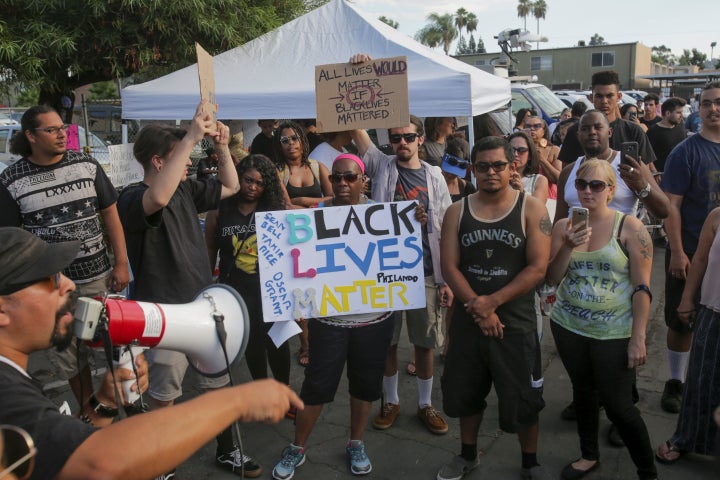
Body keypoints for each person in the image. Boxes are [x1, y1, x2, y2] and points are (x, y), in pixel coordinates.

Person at [0, 226, 302, 480]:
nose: (67, 284)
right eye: (49, 279)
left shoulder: (13, 379)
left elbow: (57, 458)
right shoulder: (7, 393)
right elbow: (99, 463)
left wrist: (103, 404)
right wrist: (236, 401)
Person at [117, 101, 262, 478]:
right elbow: (157, 199)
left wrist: (221, 148)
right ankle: (161, 460)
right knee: (164, 393)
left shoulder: (185, 190)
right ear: (158, 162)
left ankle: (227, 450)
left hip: (204, 305)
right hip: (164, 313)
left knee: (219, 385)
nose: (188, 163)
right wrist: (193, 133)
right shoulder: (131, 198)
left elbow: (230, 185)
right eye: (180, 155)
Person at [271, 153, 396, 479]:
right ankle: (297, 446)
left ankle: (356, 442)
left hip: (374, 320)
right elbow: (294, 259)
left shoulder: (384, 216)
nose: (342, 183)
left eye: (350, 177)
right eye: (337, 177)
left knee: (365, 387)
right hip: (329, 322)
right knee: (316, 387)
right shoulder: (316, 215)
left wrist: (416, 221)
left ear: (363, 180)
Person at [348, 53, 453, 437]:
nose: (402, 142)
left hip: (425, 270)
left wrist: (445, 280)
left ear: (420, 140)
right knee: (387, 343)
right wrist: (360, 73)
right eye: (395, 137)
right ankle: (390, 401)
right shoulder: (379, 165)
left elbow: (446, 224)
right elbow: (355, 126)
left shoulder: (435, 176)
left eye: (409, 136)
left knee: (424, 344)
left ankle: (426, 404)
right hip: (384, 271)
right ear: (388, 141)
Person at [0, 105, 129, 413]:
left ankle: (130, 404)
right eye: (52, 130)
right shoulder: (11, 180)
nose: (62, 135)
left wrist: (121, 262)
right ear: (30, 136)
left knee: (114, 344)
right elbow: (9, 237)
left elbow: (110, 213)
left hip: (98, 276)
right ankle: (89, 412)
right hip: (51, 287)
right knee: (69, 356)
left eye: (63, 129)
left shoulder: (86, 164)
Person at [437, 136, 551, 480]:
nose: (490, 172)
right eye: (483, 166)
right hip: (470, 321)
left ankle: (530, 462)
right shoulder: (457, 211)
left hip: (515, 321)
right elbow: (449, 267)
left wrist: (492, 303)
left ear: (512, 166)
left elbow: (538, 267)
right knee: (466, 392)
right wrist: (479, 308)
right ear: (473, 169)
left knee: (523, 397)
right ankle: (467, 455)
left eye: (498, 165)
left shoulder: (532, 209)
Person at [547, 159, 657, 480]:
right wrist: (567, 246)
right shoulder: (562, 227)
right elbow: (552, 280)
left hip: (614, 332)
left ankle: (648, 471)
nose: (587, 191)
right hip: (570, 326)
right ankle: (588, 455)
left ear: (611, 191)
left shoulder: (631, 228)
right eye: (581, 184)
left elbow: (642, 287)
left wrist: (638, 336)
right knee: (583, 391)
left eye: (596, 185)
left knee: (619, 406)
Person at [204, 154, 291, 395]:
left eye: (260, 183)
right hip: (236, 291)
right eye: (248, 180)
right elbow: (210, 247)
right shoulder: (220, 209)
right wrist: (206, 281)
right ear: (239, 178)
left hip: (270, 289)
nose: (253, 187)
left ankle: (284, 392)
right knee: (252, 343)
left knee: (277, 341)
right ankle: (261, 392)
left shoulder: (274, 209)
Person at [658, 81, 720, 414]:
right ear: (699, 108)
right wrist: (678, 251)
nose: (714, 108)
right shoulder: (686, 151)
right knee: (681, 319)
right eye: (707, 103)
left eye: (718, 102)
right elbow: (672, 207)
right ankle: (675, 381)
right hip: (690, 250)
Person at [655, 207, 720, 464]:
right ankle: (686, 437)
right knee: (701, 380)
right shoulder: (716, 216)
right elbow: (701, 260)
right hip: (713, 311)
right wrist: (686, 299)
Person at [273, 120, 333, 368]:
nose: (290, 144)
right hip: (292, 242)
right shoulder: (278, 170)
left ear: (302, 140)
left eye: (294, 138)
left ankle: (325, 342)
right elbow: (285, 206)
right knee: (300, 296)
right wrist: (315, 202)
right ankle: (306, 345)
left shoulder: (319, 167)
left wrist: (303, 202)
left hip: (320, 237)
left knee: (324, 291)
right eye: (284, 140)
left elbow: (333, 199)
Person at [555, 111, 669, 224]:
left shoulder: (630, 165)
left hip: (619, 239)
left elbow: (664, 211)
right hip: (576, 241)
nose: (592, 132)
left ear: (609, 132)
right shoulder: (568, 172)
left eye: (598, 127)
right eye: (585, 129)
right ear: (578, 135)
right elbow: (559, 222)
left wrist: (641, 185)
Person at [558, 71, 657, 171]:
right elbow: (566, 174)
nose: (604, 101)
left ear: (619, 97)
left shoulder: (634, 131)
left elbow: (646, 173)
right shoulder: (576, 131)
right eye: (599, 96)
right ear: (591, 98)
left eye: (609, 96)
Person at [524, 116, 561, 218]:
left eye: (536, 126)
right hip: (526, 195)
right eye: (528, 126)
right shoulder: (520, 151)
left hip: (549, 198)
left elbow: (559, 178)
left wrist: (542, 160)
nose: (532, 129)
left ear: (544, 130)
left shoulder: (553, 150)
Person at [646, 97, 688, 173]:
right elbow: (647, 155)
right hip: (662, 176)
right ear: (668, 113)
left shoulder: (680, 126)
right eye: (678, 113)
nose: (681, 116)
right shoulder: (653, 131)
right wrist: (655, 173)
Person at [441, 138, 476, 203]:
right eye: (448, 169)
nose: (450, 174)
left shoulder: (468, 188)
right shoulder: (432, 184)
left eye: (454, 172)